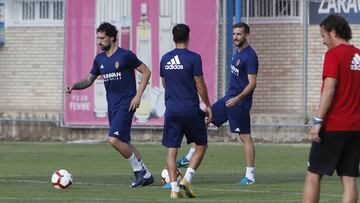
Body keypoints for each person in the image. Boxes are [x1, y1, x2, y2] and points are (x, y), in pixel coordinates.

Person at [65, 22, 154, 188]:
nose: (99, 41)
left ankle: (139, 171)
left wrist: (138, 96)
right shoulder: (99, 59)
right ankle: (147, 174)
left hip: (127, 104)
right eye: (97, 38)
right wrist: (74, 86)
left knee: (113, 140)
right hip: (112, 106)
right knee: (124, 142)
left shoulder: (125, 55)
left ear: (112, 37)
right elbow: (88, 80)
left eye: (102, 38)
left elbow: (146, 71)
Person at [177, 22, 258, 185]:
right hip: (228, 99)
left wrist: (237, 98)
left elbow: (252, 83)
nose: (235, 37)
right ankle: (190, 155)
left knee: (245, 137)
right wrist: (231, 97)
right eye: (234, 34)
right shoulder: (237, 52)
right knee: (204, 118)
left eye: (239, 34)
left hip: (239, 103)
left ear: (246, 35)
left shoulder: (250, 56)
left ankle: (250, 176)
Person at [302, 14, 360, 203]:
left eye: (323, 36)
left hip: (334, 126)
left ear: (333, 32)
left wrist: (318, 121)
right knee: (349, 178)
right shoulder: (359, 55)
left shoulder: (333, 55)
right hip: (356, 128)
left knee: (313, 175)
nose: (323, 41)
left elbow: (329, 88)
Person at [160, 23, 212, 199]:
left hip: (172, 109)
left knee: (171, 150)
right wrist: (207, 105)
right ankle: (187, 178)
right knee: (201, 145)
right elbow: (200, 83)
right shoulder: (194, 58)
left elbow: (164, 83)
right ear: (188, 37)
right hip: (190, 110)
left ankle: (174, 188)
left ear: (173, 38)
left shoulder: (165, 58)